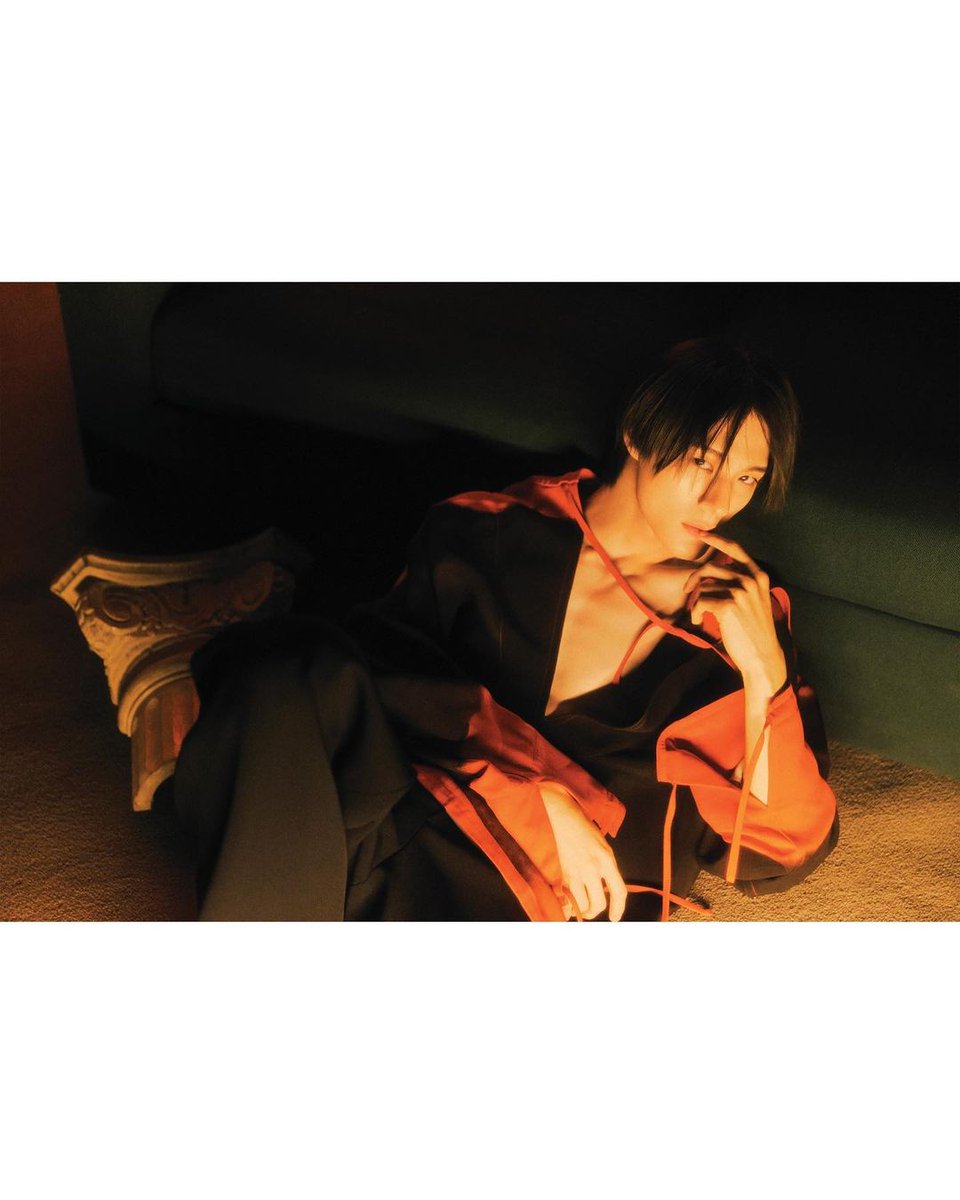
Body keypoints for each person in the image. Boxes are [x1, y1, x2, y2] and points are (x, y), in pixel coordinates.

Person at [173, 337, 839, 921]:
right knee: (279, 660)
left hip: (525, 901)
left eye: (747, 477)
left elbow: (778, 853)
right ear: (639, 435)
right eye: (702, 462)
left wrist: (766, 675)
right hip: (392, 819)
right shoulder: (490, 530)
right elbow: (375, 677)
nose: (721, 502)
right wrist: (534, 792)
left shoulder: (737, 618)